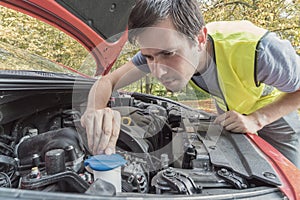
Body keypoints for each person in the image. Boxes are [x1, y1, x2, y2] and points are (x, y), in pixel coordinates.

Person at [81, 0, 300, 167]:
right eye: (149, 57)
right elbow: (107, 81)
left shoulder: (260, 49)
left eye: (168, 53)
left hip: (275, 113)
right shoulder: (157, 50)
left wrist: (257, 119)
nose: (157, 70)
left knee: (291, 176)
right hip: (233, 112)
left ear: (200, 39)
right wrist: (95, 111)